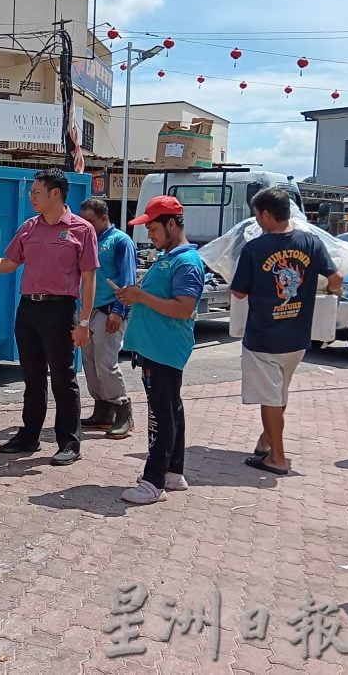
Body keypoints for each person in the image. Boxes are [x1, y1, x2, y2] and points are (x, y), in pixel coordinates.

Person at [0, 168, 98, 466]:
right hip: (29, 308)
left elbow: (89, 278)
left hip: (60, 310)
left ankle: (69, 442)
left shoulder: (82, 230)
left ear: (55, 193)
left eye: (36, 192)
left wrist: (83, 323)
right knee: (31, 377)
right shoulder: (29, 227)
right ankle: (29, 436)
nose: (31, 196)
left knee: (63, 377)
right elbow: (8, 263)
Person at [229, 187, 342, 476]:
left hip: (264, 338)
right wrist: (329, 293)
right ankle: (266, 441)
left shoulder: (255, 249)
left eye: (257, 215)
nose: (256, 221)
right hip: (297, 337)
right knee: (279, 394)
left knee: (271, 399)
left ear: (266, 214)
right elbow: (336, 278)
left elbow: (238, 293)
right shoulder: (311, 242)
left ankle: (277, 457)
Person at [114, 196, 205, 504]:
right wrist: (135, 296)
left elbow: (183, 308)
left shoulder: (185, 262)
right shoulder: (171, 257)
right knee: (171, 410)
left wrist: (139, 296)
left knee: (159, 416)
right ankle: (173, 472)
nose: (149, 235)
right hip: (157, 348)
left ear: (171, 224)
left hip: (164, 349)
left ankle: (153, 482)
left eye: (153, 228)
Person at [78, 198, 137, 439]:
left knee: (106, 362)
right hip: (88, 311)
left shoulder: (120, 241)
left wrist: (118, 311)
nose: (87, 225)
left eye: (91, 221)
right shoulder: (88, 240)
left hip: (108, 311)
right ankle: (102, 410)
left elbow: (127, 278)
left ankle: (123, 410)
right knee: (90, 362)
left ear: (105, 218)